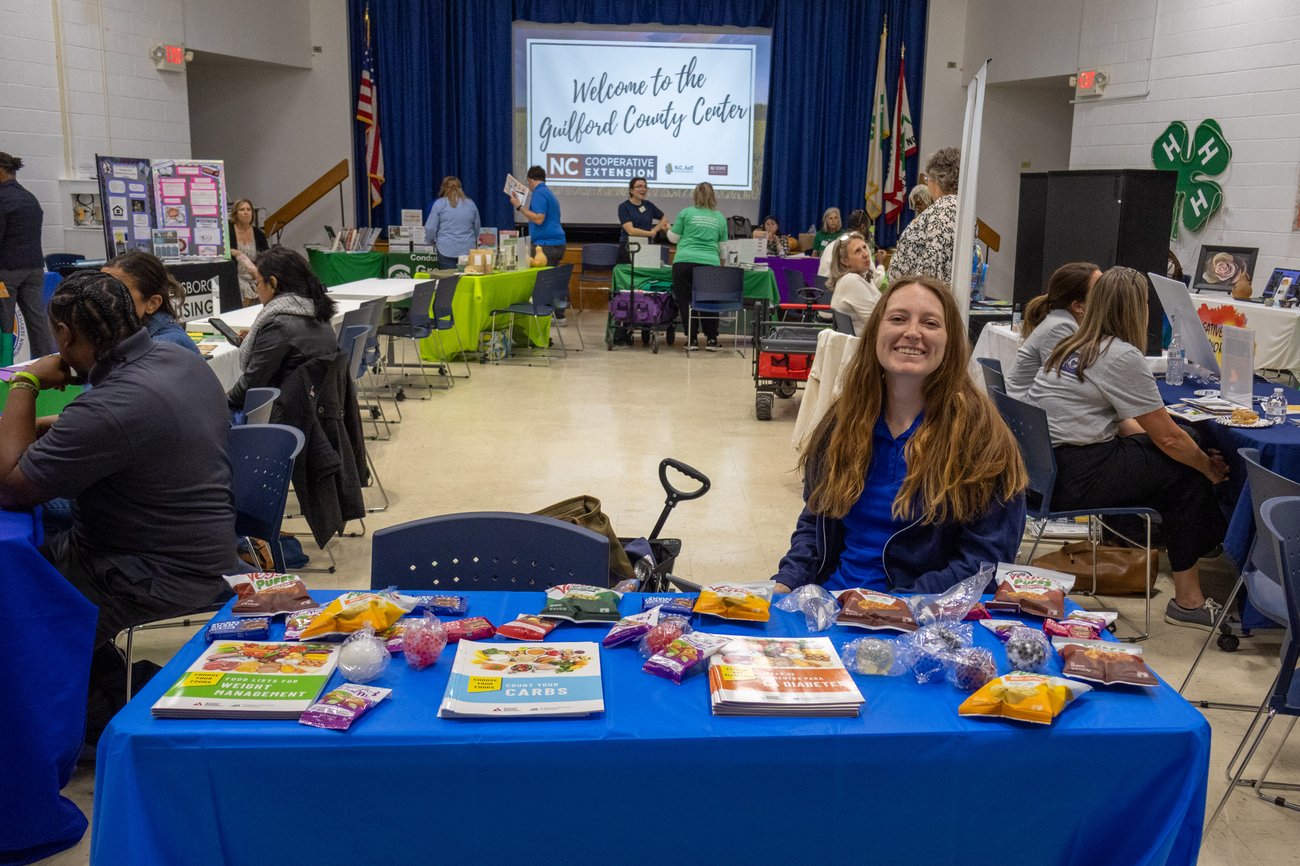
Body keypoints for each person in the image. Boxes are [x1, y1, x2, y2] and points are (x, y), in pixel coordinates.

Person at [0, 269, 238, 649]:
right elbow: (126, 429)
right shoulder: (179, 359)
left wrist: (25, 383)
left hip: (149, 585)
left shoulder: (108, 408)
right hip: (198, 562)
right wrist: (48, 426)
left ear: (63, 334)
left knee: (15, 611)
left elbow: (9, 486)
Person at [773, 276, 1028, 593]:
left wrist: (896, 607)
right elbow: (815, 521)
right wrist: (786, 582)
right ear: (875, 333)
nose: (912, 332)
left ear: (950, 343)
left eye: (930, 323)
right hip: (830, 604)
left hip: (923, 621)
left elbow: (985, 563)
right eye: (898, 319)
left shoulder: (982, 439)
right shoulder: (842, 422)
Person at [1026, 266, 1229, 629]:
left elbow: (1127, 422)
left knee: (1183, 448)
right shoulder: (1119, 355)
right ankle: (1190, 598)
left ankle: (1195, 554)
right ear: (1137, 310)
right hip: (1076, 476)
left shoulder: (1071, 346)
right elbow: (1166, 438)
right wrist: (1206, 468)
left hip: (1045, 473)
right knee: (1186, 474)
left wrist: (1186, 449)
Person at [226, 246, 338, 410]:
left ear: (272, 283)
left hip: (283, 415)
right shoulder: (316, 314)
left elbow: (249, 388)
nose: (256, 290)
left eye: (257, 283)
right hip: (313, 413)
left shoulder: (279, 327)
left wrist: (217, 401)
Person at [1004, 262, 1100, 398]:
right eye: (1100, 290)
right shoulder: (1061, 326)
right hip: (1025, 408)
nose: (1106, 295)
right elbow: (1064, 381)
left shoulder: (1059, 319)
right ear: (1078, 307)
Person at [0, 152, 52, 356]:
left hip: (6, 272)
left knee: (4, 321)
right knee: (37, 320)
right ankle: (45, 363)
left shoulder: (2, 199)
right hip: (35, 269)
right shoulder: (30, 197)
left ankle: (3, 367)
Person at [667, 181, 729, 352]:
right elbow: (723, 249)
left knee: (686, 302)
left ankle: (692, 340)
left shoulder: (686, 213)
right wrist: (720, 266)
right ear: (713, 196)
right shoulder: (720, 218)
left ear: (695, 196)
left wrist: (667, 229)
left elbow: (673, 238)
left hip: (684, 262)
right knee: (709, 301)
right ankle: (711, 340)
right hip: (709, 263)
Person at [102, 250, 201, 355]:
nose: (103, 297)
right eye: (98, 287)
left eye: (116, 291)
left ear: (152, 303)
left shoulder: (163, 346)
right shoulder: (128, 334)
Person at [889, 147, 960, 284]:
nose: (927, 183)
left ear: (937, 180)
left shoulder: (942, 212)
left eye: (927, 178)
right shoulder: (958, 209)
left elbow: (930, 269)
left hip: (916, 298)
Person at [511, 165, 567, 319]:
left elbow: (539, 218)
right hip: (556, 242)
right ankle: (558, 315)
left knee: (543, 282)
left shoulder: (539, 193)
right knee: (553, 280)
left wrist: (519, 206)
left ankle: (544, 315)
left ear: (529, 180)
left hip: (546, 244)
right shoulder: (548, 193)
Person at [828, 232, 883, 337]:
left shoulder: (860, 276)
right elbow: (878, 322)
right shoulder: (851, 281)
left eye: (864, 247)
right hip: (866, 348)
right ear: (845, 261)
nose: (866, 254)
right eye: (858, 251)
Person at [425, 176, 481, 270]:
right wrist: (471, 239)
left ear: (443, 188)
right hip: (467, 249)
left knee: (448, 282)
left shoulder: (439, 204)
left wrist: (429, 241)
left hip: (445, 248)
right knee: (466, 280)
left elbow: (430, 228)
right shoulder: (471, 204)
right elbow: (477, 227)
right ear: (461, 188)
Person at [618, 176, 669, 263]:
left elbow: (664, 218)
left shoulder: (648, 205)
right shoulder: (624, 207)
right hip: (629, 245)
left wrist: (655, 230)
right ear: (631, 190)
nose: (643, 189)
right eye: (639, 186)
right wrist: (650, 233)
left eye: (645, 187)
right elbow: (631, 231)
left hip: (646, 244)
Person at [228, 198, 269, 307]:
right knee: (242, 287)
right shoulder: (228, 231)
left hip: (254, 274)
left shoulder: (259, 234)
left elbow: (266, 256)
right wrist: (233, 251)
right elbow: (218, 249)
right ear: (235, 213)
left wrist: (257, 270)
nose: (246, 212)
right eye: (242, 210)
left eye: (248, 209)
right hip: (235, 274)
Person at [819, 208, 870, 278]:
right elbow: (875, 280)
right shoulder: (862, 247)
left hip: (824, 286)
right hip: (837, 287)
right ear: (863, 227)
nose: (865, 254)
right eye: (857, 251)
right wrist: (881, 265)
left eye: (835, 218)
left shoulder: (830, 245)